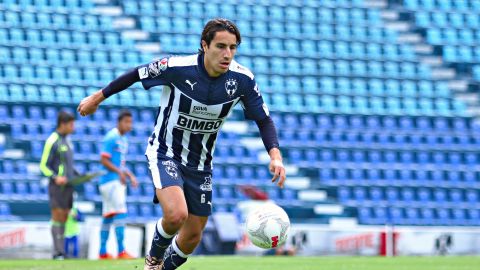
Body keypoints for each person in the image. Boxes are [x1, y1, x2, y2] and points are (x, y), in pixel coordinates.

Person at [77, 18, 286, 270]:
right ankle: (152, 260)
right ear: (204, 45)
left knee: (192, 236)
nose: (227, 54)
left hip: (201, 164)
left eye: (233, 47)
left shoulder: (242, 80)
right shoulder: (176, 67)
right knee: (176, 215)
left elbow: (264, 120)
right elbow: (137, 73)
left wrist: (275, 156)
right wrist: (98, 97)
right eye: (221, 46)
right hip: (166, 152)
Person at [98, 110, 138, 259]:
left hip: (111, 180)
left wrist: (130, 175)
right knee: (121, 211)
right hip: (111, 181)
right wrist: (119, 173)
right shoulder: (112, 137)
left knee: (108, 215)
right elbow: (104, 159)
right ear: (119, 122)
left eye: (131, 122)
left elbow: (118, 164)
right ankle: (121, 251)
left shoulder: (123, 140)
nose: (129, 125)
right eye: (127, 122)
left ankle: (102, 252)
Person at [40, 111, 78, 260]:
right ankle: (57, 253)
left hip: (69, 186)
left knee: (64, 217)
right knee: (57, 216)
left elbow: (68, 165)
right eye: (71, 124)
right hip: (57, 186)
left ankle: (62, 251)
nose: (73, 127)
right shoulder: (52, 140)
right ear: (63, 124)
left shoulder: (68, 140)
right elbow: (43, 166)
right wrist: (55, 177)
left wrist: (80, 175)